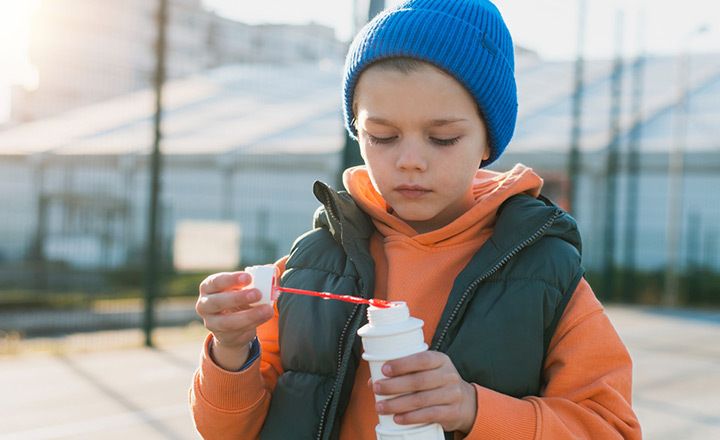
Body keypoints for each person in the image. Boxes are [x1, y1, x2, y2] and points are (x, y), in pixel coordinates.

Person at [189, 0, 642, 438]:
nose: (409, 161)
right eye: (382, 136)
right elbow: (227, 430)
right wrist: (231, 351)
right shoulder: (311, 264)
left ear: (488, 142)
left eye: (442, 138)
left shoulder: (545, 273)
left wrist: (473, 409)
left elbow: (610, 429)